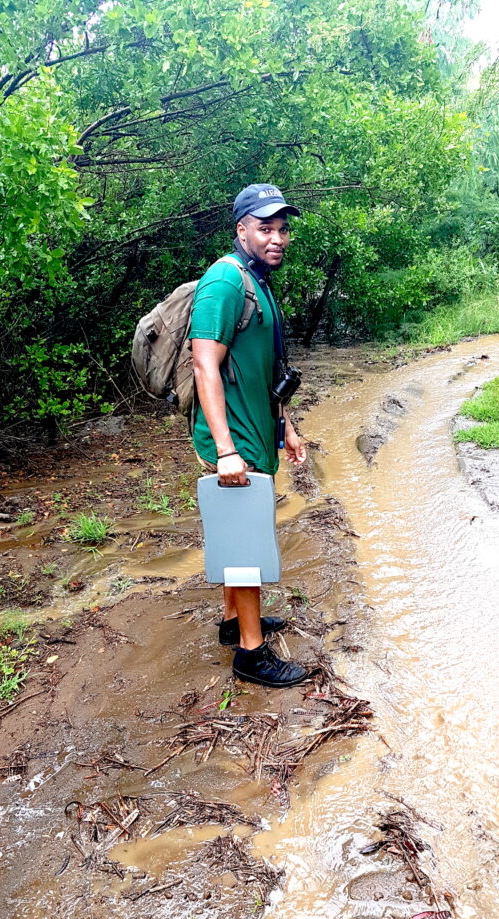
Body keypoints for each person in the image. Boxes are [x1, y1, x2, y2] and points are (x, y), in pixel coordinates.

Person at [190, 183, 309, 688]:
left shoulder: (256, 279)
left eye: (282, 229)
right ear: (242, 230)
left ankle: (233, 621)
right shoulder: (224, 281)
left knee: (240, 535)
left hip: (257, 429)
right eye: (265, 229)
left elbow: (266, 370)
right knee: (245, 546)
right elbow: (204, 364)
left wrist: (287, 428)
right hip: (233, 439)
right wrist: (226, 451)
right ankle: (251, 653)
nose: (276, 238)